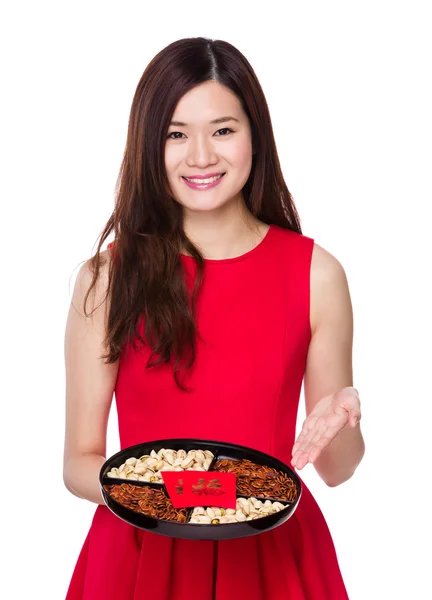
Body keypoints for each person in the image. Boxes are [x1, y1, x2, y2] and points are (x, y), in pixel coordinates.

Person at [63, 36, 365, 600]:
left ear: (256, 135)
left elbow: (337, 469)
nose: (201, 156)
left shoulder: (316, 275)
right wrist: (171, 493)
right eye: (176, 134)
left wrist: (342, 412)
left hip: (273, 560)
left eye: (223, 130)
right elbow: (79, 461)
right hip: (137, 557)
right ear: (150, 146)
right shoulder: (107, 278)